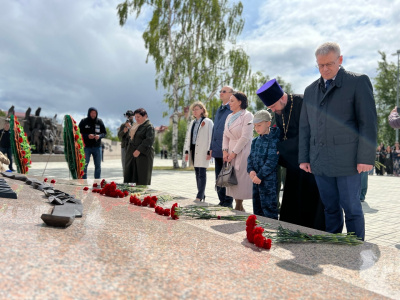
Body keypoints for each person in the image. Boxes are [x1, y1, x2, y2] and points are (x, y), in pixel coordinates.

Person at [299, 42, 377, 240]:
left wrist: (366, 157)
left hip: (348, 161)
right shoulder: (310, 91)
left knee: (351, 208)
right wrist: (304, 157)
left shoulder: (358, 82)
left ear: (340, 60)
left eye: (329, 64)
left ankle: (355, 246)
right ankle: (333, 244)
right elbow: (305, 128)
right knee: (330, 207)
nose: (325, 69)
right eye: (320, 65)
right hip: (320, 160)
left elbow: (367, 122)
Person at [257, 79, 325, 230]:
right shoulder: (279, 110)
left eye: (273, 106)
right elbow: (283, 133)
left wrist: (283, 147)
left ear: (282, 97)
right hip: (293, 162)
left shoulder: (303, 102)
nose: (273, 111)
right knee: (293, 195)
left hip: (309, 159)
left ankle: (312, 229)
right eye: (270, 108)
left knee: (311, 197)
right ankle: (293, 228)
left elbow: (312, 132)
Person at [222, 91, 254, 211]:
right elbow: (225, 135)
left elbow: (245, 137)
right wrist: (225, 151)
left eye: (232, 101)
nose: (229, 103)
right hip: (230, 150)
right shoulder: (229, 116)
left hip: (243, 150)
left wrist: (234, 153)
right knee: (232, 178)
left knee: (240, 179)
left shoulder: (248, 116)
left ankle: (239, 206)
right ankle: (238, 206)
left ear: (240, 102)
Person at [247, 110, 280, 219]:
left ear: (268, 124)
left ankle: (271, 231)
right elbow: (250, 158)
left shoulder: (274, 140)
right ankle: (259, 231)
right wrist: (250, 170)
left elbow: (272, 161)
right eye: (255, 125)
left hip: (268, 181)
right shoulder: (255, 141)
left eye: (259, 125)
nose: (257, 128)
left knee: (269, 208)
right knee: (257, 208)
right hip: (255, 180)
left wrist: (260, 176)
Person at [183, 102, 214, 202]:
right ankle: (202, 194)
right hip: (193, 149)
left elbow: (211, 137)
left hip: (203, 149)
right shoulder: (192, 123)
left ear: (202, 110)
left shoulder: (208, 122)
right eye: (193, 109)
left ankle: (199, 195)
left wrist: (210, 150)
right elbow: (188, 137)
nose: (194, 111)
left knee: (202, 172)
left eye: (196, 109)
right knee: (197, 172)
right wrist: (187, 152)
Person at [210, 86, 234, 208]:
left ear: (231, 95)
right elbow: (215, 129)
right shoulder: (219, 109)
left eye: (224, 91)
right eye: (220, 91)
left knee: (227, 176)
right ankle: (221, 200)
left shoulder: (233, 109)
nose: (221, 93)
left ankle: (228, 202)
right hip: (217, 148)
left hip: (227, 150)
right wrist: (211, 147)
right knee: (218, 177)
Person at [124, 108, 155, 185]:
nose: (136, 118)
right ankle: (133, 194)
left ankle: (143, 194)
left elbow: (149, 140)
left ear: (145, 116)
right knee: (132, 176)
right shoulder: (136, 125)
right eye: (135, 117)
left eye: (138, 117)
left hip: (143, 154)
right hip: (132, 153)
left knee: (142, 177)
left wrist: (139, 150)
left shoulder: (149, 126)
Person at [79, 107, 107, 179]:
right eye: (92, 113)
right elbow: (78, 133)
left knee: (98, 166)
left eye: (95, 113)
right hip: (86, 147)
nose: (93, 114)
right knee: (84, 165)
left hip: (97, 147)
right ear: (89, 113)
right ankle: (83, 181)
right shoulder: (83, 121)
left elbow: (104, 133)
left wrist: (99, 136)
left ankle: (97, 182)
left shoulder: (99, 121)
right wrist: (87, 136)